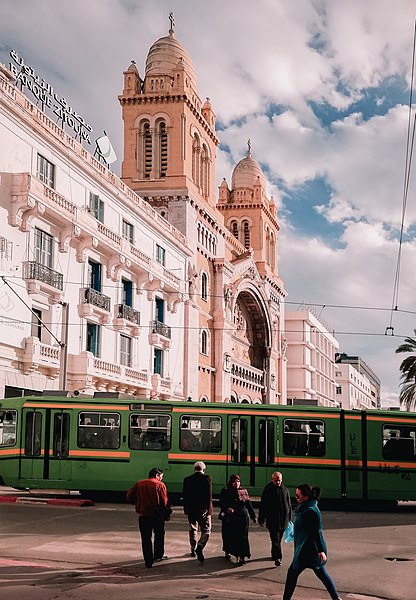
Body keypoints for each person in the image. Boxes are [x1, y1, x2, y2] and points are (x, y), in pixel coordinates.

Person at [283, 484, 342, 600]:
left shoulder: (311, 511)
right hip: (305, 547)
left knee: (292, 573)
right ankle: (336, 598)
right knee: (321, 573)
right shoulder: (304, 507)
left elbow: (316, 532)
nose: (296, 498)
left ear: (306, 497)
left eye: (298, 496)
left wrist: (320, 550)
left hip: (308, 549)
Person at [126, 467, 171, 569]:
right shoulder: (160, 485)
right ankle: (158, 555)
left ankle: (148, 561)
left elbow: (129, 496)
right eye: (161, 477)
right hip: (157, 516)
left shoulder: (139, 484)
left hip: (143, 516)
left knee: (146, 538)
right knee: (159, 535)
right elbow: (164, 502)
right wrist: (166, 514)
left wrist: (137, 503)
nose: (161, 479)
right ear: (157, 475)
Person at [218, 474, 256, 565]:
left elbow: (248, 503)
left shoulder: (243, 491)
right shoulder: (226, 491)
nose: (236, 483)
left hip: (242, 517)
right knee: (230, 535)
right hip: (230, 517)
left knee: (242, 536)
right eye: (234, 481)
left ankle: (242, 556)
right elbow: (222, 503)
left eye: (238, 481)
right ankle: (228, 551)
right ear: (231, 482)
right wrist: (227, 509)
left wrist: (253, 515)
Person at [258, 471, 292, 566]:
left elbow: (289, 505)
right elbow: (263, 505)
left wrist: (289, 518)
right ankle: (278, 557)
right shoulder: (268, 489)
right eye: (276, 480)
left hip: (283, 521)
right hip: (272, 520)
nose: (278, 482)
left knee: (278, 539)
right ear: (272, 479)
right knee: (275, 539)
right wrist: (261, 518)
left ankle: (274, 553)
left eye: (280, 480)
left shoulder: (285, 489)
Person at [182, 461, 213, 563]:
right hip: (203, 510)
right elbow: (208, 495)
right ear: (204, 469)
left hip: (191, 510)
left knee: (193, 529)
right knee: (206, 530)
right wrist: (207, 509)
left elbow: (185, 496)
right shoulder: (206, 478)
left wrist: (186, 509)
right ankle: (200, 546)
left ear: (194, 469)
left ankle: (192, 548)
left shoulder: (187, 480)